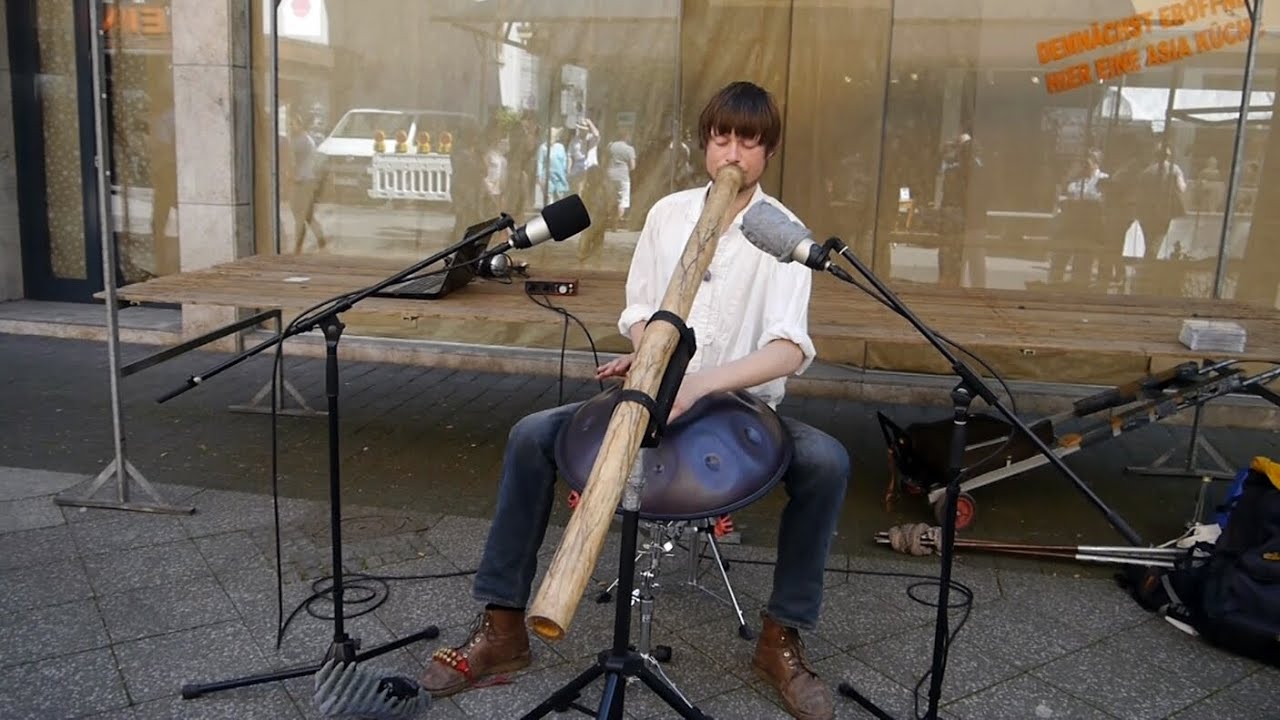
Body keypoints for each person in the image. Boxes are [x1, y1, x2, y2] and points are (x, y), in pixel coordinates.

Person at [419, 81, 850, 720]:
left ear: (768, 151)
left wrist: (699, 383)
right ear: (705, 144)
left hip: (738, 406)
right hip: (654, 391)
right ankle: (503, 625)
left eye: (748, 142)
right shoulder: (668, 215)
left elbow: (789, 349)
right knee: (533, 435)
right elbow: (641, 310)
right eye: (722, 139)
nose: (733, 154)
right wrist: (652, 354)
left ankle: (779, 636)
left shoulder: (783, 233)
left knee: (827, 461)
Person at [285, 112, 328, 253]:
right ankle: (322, 243)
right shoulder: (305, 139)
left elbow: (292, 161)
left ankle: (298, 248)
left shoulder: (300, 141)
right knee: (308, 216)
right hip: (306, 180)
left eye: (292, 124)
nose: (290, 127)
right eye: (289, 124)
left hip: (301, 182)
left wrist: (290, 176)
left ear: (300, 125)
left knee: (300, 216)